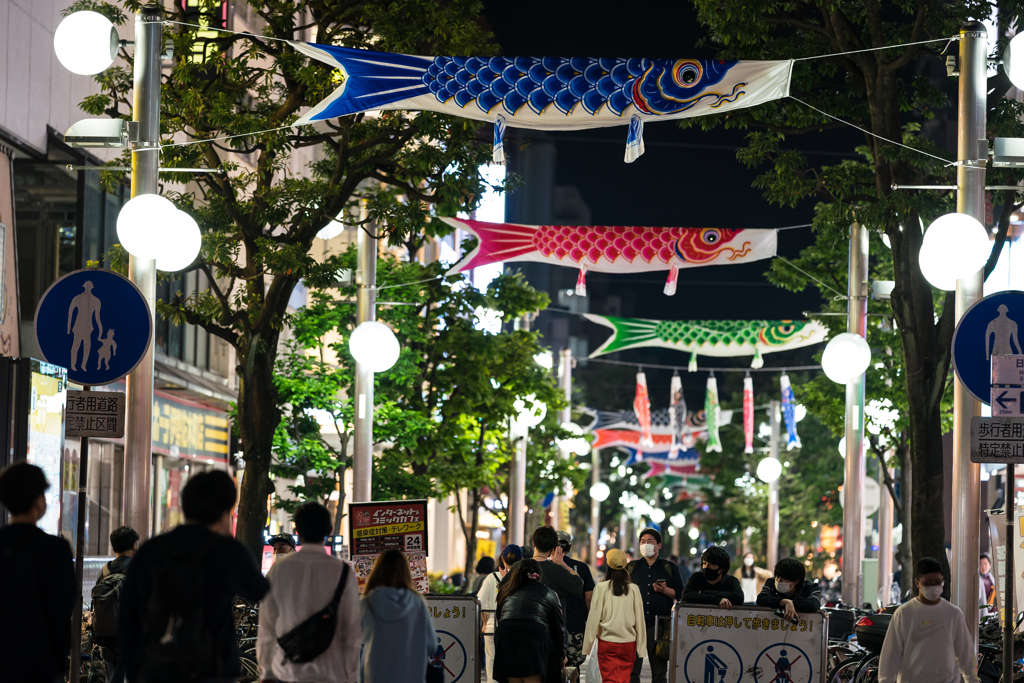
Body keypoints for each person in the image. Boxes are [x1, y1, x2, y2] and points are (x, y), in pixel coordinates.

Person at [119, 470, 270, 683]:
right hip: (213, 668)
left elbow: (128, 615)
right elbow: (261, 592)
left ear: (184, 506)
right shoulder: (228, 550)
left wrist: (135, 668)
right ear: (226, 511)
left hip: (157, 668)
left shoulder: (151, 550)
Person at [257, 502, 361, 683]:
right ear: (329, 530)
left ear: (297, 531)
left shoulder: (278, 570)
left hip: (288, 672)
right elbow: (352, 632)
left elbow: (266, 627)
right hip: (331, 674)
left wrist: (266, 673)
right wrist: (351, 677)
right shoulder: (343, 572)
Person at [0, 462, 74, 683]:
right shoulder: (55, 549)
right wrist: (59, 661)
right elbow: (61, 612)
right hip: (39, 665)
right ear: (37, 501)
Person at [878, 557, 980, 683]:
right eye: (927, 583)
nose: (933, 587)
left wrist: (972, 679)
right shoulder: (904, 613)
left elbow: (967, 653)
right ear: (917, 583)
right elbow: (891, 654)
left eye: (937, 582)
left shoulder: (954, 614)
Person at [360, 549, 436, 683]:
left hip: (375, 676)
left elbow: (352, 640)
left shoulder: (367, 602)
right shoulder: (417, 602)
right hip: (412, 677)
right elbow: (432, 645)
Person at [626, 528, 685, 683]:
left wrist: (665, 590)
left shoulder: (670, 568)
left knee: (659, 673)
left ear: (659, 545)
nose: (645, 544)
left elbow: (681, 594)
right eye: (642, 542)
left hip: (659, 626)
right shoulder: (631, 567)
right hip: (634, 625)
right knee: (632, 672)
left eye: (650, 541)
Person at [492, 559, 566, 683]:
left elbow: (500, 618)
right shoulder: (549, 594)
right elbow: (558, 630)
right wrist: (561, 656)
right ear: (538, 575)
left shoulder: (506, 591)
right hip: (533, 635)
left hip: (507, 635)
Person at [583, 549, 646, 683]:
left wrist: (588, 645)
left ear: (608, 565)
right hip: (628, 644)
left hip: (607, 642)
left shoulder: (601, 587)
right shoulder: (634, 589)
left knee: (609, 679)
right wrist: (641, 648)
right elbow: (640, 620)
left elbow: (593, 618)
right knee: (624, 679)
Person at [92, 526, 139, 683]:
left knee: (112, 676)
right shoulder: (137, 570)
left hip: (106, 635)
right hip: (130, 635)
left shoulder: (105, 571)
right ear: (134, 545)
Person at [480, 545, 521, 683]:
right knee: (513, 662)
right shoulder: (524, 579)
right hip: (516, 626)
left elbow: (480, 602)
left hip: (493, 626)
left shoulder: (492, 578)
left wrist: (485, 623)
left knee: (491, 662)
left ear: (503, 559)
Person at [512, 526, 584, 605]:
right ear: (553, 548)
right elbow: (579, 585)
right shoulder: (559, 571)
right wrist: (562, 563)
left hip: (523, 616)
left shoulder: (517, 567)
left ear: (533, 543)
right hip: (551, 616)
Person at [557, 530, 596, 668]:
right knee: (573, 667)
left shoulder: (543, 567)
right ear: (570, 547)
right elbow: (589, 599)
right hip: (576, 626)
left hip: (550, 626)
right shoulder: (582, 568)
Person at [756, 557, 823, 620]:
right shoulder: (771, 582)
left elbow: (813, 605)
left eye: (784, 578)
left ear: (796, 581)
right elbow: (761, 599)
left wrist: (792, 603)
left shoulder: (810, 587)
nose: (779, 580)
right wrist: (784, 602)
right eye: (777, 576)